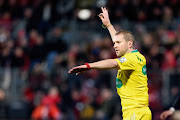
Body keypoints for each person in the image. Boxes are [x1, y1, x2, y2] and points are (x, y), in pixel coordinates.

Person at [68, 7, 152, 120]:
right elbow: (118, 39)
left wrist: (89, 66)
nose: (114, 45)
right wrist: (108, 25)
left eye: (118, 43)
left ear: (130, 44)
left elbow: (113, 63)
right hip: (134, 112)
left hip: (136, 113)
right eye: (114, 43)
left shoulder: (134, 58)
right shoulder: (132, 57)